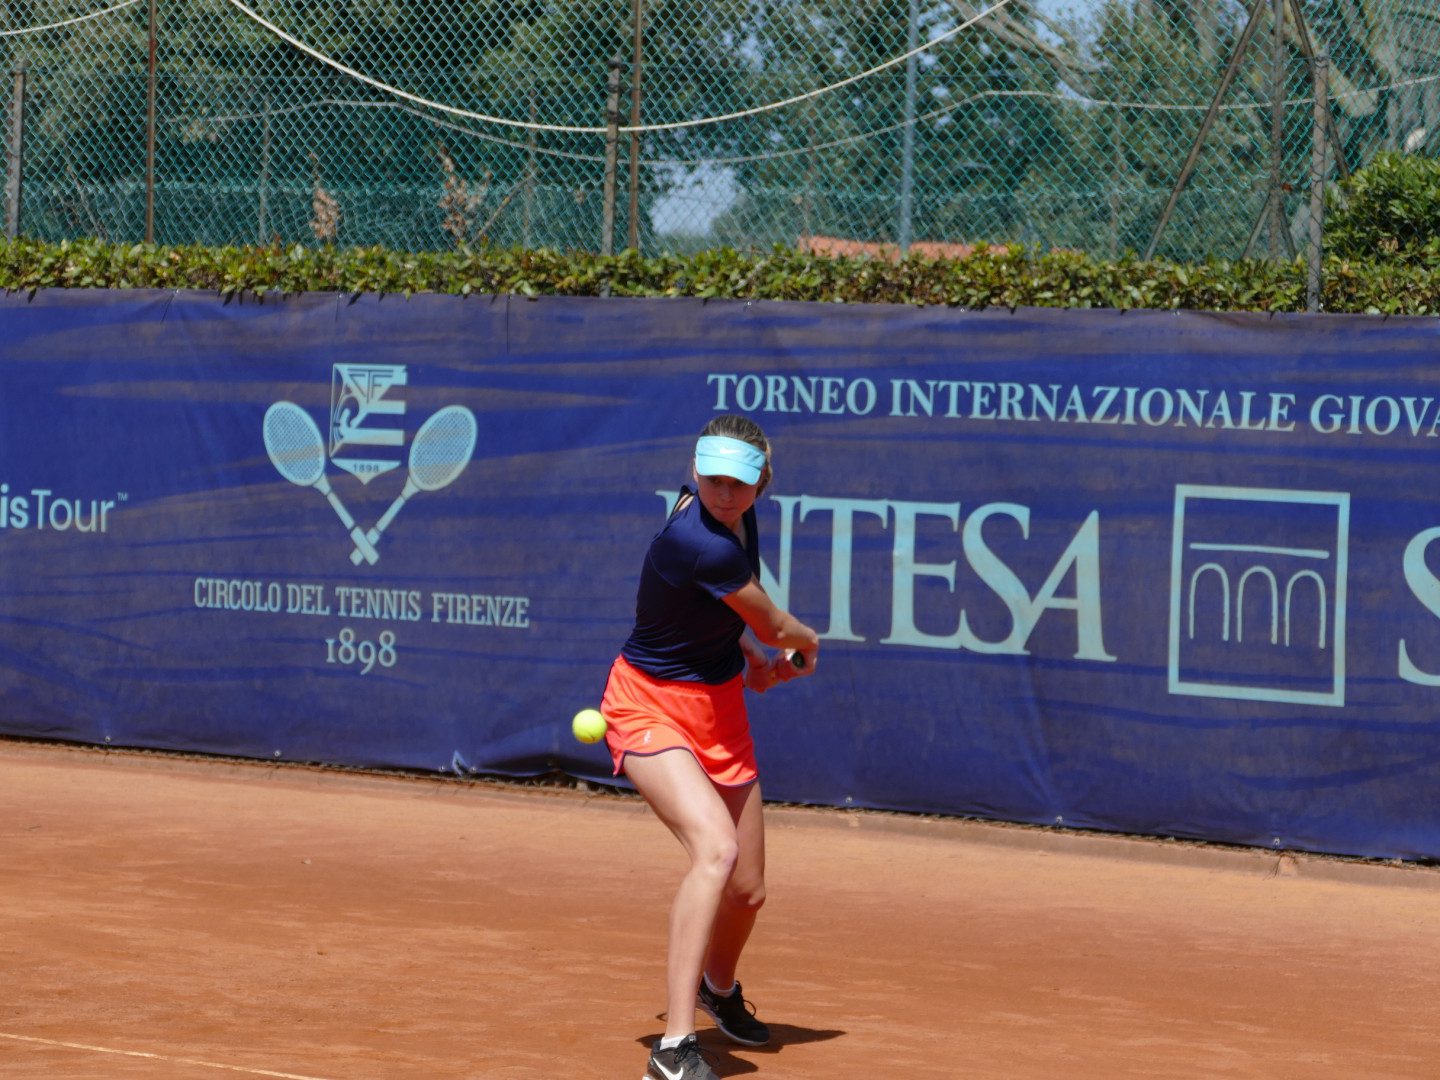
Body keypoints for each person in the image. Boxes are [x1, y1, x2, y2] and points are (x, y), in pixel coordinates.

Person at [600, 414, 821, 1080]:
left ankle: (717, 988)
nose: (725, 494)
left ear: (762, 484)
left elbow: (721, 614)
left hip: (719, 709)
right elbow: (774, 622)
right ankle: (674, 1048)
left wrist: (748, 659)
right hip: (647, 705)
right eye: (714, 480)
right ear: (694, 472)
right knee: (716, 852)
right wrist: (804, 643)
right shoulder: (697, 539)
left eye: (740, 484)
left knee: (747, 891)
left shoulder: (736, 523)